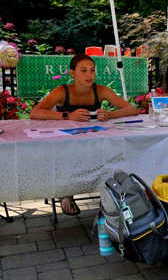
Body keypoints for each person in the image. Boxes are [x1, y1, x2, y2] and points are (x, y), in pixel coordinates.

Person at [30, 53, 138, 216]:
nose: (89, 75)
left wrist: (110, 115)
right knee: (67, 154)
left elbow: (132, 109)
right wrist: (67, 115)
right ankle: (65, 193)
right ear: (72, 73)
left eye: (92, 70)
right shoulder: (62, 91)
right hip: (65, 143)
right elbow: (35, 113)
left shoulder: (100, 90)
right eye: (83, 70)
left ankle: (111, 191)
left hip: (93, 141)